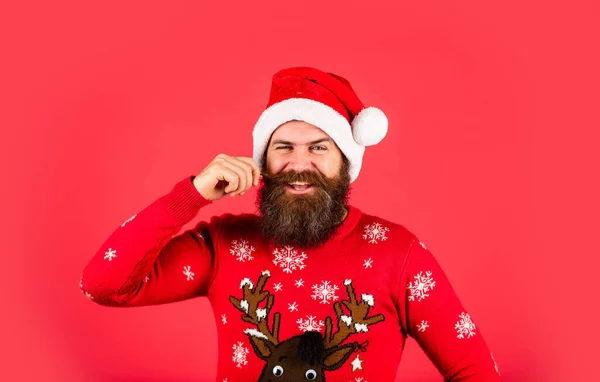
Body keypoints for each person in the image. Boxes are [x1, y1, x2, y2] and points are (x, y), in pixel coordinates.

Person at [81, 67, 501, 381]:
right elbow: (104, 284)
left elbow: (477, 373)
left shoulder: (399, 254)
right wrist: (189, 196)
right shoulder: (223, 244)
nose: (299, 165)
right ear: (264, 160)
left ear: (345, 163)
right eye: (284, 147)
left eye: (319, 147)